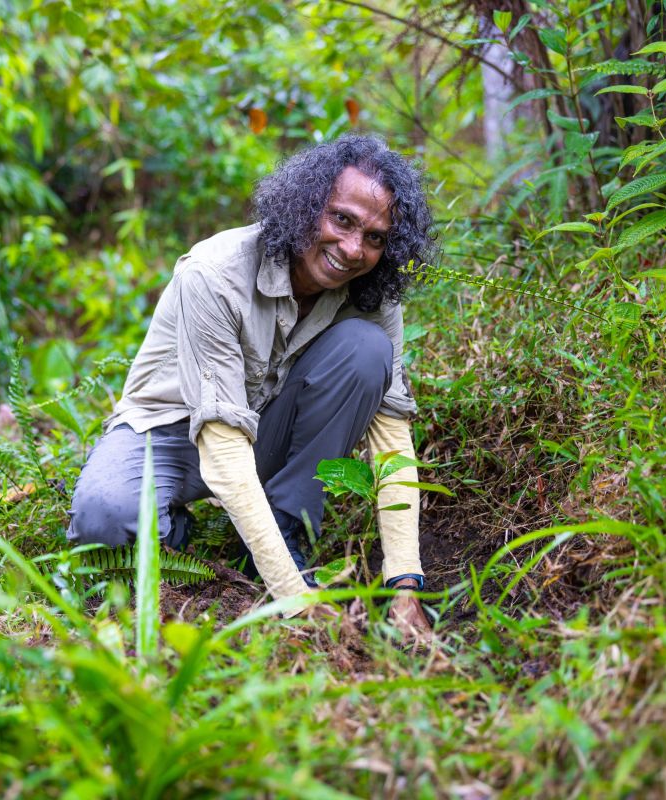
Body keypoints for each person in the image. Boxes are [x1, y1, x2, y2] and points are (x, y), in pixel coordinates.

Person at [67, 135, 437, 636]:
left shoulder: (372, 295)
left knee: (367, 350)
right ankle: (179, 529)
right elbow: (220, 445)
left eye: (375, 237)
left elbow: (391, 436)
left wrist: (404, 586)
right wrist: (294, 597)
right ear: (305, 206)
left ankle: (284, 529)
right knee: (102, 521)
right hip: (171, 432)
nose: (353, 249)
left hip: (266, 430)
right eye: (342, 219)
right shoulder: (214, 273)